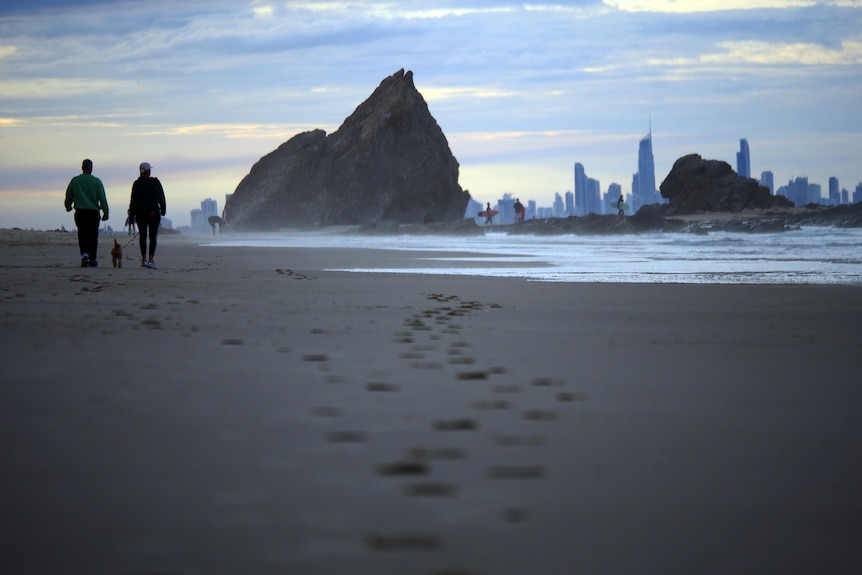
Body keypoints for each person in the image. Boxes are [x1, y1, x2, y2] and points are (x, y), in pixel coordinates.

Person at [64, 159, 109, 267]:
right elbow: (102, 198)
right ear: (91, 168)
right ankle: (93, 259)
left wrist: (68, 206)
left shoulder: (75, 180)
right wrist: (106, 212)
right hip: (94, 213)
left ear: (82, 168)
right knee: (93, 236)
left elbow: (69, 195)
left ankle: (84, 255)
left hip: (81, 212)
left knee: (82, 234)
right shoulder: (97, 181)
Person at [129, 162, 166, 269]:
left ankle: (144, 259)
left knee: (143, 236)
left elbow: (133, 201)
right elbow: (161, 197)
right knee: (153, 236)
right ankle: (151, 260)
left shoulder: (137, 184)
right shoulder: (155, 182)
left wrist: (131, 217)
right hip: (154, 213)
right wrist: (163, 210)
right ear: (149, 171)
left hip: (141, 214)